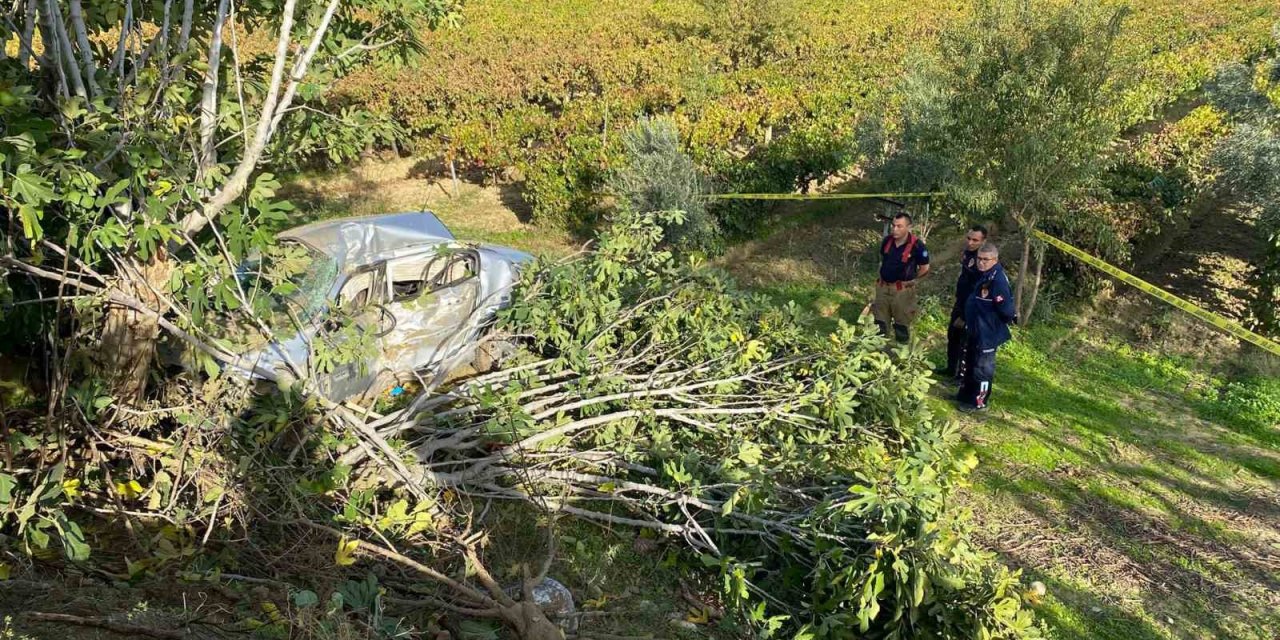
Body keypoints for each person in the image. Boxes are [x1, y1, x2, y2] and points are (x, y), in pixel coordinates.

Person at [958, 242, 1016, 412]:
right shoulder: (984, 275)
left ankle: (979, 403)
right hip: (975, 328)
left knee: (982, 369)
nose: (981, 262)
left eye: (985, 259)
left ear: (995, 260)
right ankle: (965, 396)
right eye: (979, 259)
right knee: (969, 364)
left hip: (987, 333)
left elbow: (1006, 310)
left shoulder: (997, 280)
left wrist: (991, 323)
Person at [935, 225, 988, 379]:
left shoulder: (982, 261)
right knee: (953, 336)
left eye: (975, 240)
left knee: (965, 342)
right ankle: (951, 369)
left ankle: (961, 376)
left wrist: (965, 316)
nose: (970, 242)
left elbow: (978, 291)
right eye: (969, 238)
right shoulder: (968, 253)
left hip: (971, 308)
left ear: (983, 241)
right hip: (960, 302)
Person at [873, 212, 930, 344]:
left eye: (899, 226)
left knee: (901, 325)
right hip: (883, 288)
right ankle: (878, 354)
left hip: (902, 291)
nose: (895, 229)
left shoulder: (918, 247)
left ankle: (901, 355)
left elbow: (925, 268)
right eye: (893, 225)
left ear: (909, 227)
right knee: (879, 324)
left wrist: (913, 281)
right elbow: (883, 261)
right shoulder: (887, 241)